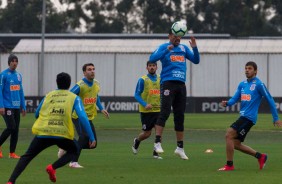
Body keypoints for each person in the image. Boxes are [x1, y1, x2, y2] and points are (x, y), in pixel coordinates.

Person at [6, 72, 96, 184]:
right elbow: (82, 117)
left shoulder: (48, 95)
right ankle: (52, 167)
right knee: (75, 150)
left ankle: (10, 181)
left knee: (27, 156)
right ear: (69, 84)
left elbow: (36, 114)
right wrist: (91, 136)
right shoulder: (74, 98)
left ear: (57, 83)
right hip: (62, 133)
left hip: (43, 132)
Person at [218, 61, 282, 171]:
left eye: (250, 68)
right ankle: (260, 156)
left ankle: (229, 165)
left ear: (255, 71)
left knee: (229, 134)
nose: (247, 70)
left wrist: (276, 118)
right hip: (243, 116)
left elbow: (270, 100)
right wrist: (227, 103)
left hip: (249, 117)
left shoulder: (259, 84)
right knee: (235, 143)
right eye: (246, 68)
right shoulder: (242, 84)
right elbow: (235, 98)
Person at [148, 28, 200, 160]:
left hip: (181, 85)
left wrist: (194, 47)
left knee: (179, 116)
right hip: (168, 83)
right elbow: (152, 58)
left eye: (180, 37)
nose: (178, 39)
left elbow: (196, 60)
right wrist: (167, 50)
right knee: (165, 112)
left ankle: (180, 148)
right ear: (170, 36)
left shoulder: (183, 48)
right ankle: (157, 143)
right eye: (175, 36)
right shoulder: (164, 47)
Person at [58, 63, 109, 168]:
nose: (92, 71)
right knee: (84, 137)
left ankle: (67, 147)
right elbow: (69, 96)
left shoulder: (96, 83)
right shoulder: (80, 85)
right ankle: (73, 162)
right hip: (78, 116)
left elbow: (96, 96)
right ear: (84, 72)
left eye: (93, 69)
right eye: (89, 69)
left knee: (92, 144)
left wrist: (101, 108)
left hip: (88, 117)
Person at [132, 61, 162, 159]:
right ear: (147, 68)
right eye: (150, 66)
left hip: (158, 110)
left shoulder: (160, 79)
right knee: (147, 133)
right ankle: (137, 141)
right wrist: (145, 104)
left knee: (159, 131)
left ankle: (155, 153)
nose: (152, 67)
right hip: (146, 111)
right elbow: (136, 94)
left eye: (153, 66)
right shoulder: (143, 80)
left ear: (157, 67)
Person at [0, 54, 26, 159]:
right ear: (9, 62)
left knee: (16, 129)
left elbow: (20, 91)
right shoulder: (3, 75)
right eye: (13, 61)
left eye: (16, 61)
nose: (15, 63)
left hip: (16, 107)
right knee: (11, 127)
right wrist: (1, 106)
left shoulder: (18, 75)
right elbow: (0, 92)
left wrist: (23, 106)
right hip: (6, 106)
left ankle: (12, 153)